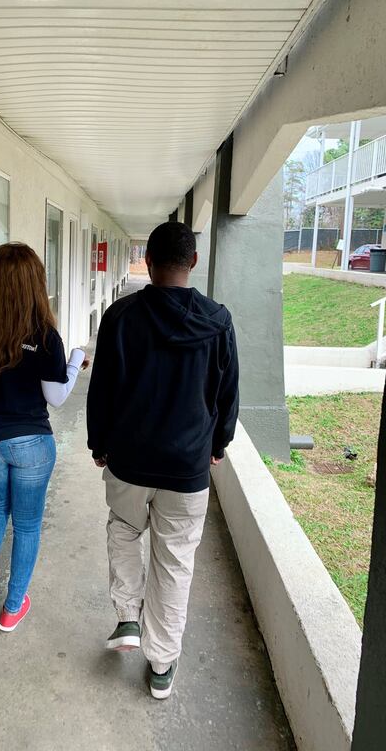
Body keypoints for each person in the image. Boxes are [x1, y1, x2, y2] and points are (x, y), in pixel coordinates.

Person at [87, 221, 239, 699]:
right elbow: (227, 393)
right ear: (192, 262)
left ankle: (128, 618)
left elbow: (103, 389)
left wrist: (98, 443)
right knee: (175, 563)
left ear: (146, 262)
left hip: (130, 460)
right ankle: (161, 666)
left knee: (124, 531)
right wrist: (218, 445)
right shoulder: (218, 321)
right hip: (187, 468)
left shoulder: (121, 317)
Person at [0, 242, 88, 632]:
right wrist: (75, 363)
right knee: (26, 525)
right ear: (35, 285)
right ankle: (11, 609)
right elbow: (55, 398)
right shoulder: (45, 337)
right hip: (31, 444)